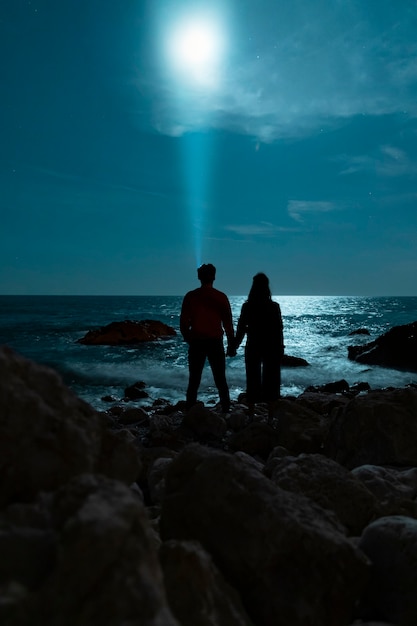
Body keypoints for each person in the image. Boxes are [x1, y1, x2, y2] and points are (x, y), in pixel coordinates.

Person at [180, 263, 236, 413]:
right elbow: (228, 324)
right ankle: (226, 410)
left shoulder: (191, 296)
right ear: (214, 277)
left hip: (197, 341)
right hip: (215, 342)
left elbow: (184, 323)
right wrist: (231, 345)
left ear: (199, 277)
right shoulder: (221, 297)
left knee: (194, 380)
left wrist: (189, 339)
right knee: (220, 379)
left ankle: (190, 410)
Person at [235, 272, 284, 419]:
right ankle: (270, 416)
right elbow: (278, 329)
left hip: (253, 345)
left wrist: (234, 346)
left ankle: (251, 413)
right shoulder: (274, 306)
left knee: (252, 378)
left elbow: (241, 328)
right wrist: (281, 348)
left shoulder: (247, 306)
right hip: (271, 346)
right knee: (272, 380)